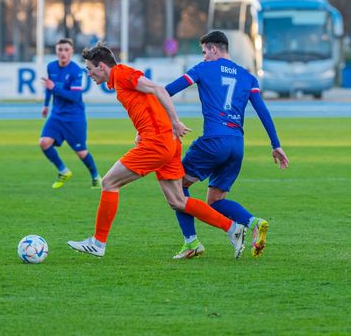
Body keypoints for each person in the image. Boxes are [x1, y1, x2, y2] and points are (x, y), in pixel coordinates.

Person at [67, 42, 246, 259]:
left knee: (109, 183)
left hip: (157, 142)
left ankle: (98, 242)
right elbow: (149, 99)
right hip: (166, 141)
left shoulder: (121, 73)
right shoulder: (119, 79)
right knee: (178, 201)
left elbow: (158, 89)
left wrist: (175, 121)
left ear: (102, 66)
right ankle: (233, 228)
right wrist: (143, 130)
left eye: (89, 69)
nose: (88, 74)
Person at [165, 30, 289, 259]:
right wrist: (276, 144)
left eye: (204, 52)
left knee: (177, 186)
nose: (203, 57)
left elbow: (167, 91)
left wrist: (162, 118)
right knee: (215, 200)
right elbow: (262, 111)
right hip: (236, 145)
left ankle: (191, 242)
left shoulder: (202, 69)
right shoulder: (247, 77)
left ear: (214, 49)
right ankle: (253, 222)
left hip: (213, 141)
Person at [39, 38, 101, 189]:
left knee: (81, 152)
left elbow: (74, 97)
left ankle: (96, 177)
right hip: (57, 115)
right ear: (56, 51)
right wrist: (46, 105)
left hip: (74, 117)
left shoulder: (76, 71)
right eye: (60, 49)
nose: (63, 53)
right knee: (44, 142)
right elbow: (49, 88)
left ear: (72, 52)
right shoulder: (51, 66)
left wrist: (54, 88)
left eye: (66, 50)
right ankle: (63, 171)